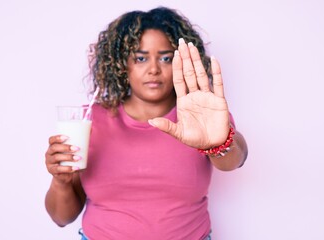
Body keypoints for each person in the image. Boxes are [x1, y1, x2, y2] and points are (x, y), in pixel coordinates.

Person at [45, 6, 248, 240]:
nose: (153, 69)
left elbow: (236, 159)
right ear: (122, 64)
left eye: (166, 58)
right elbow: (62, 218)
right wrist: (61, 181)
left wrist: (220, 143)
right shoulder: (89, 120)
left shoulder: (200, 113)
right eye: (140, 58)